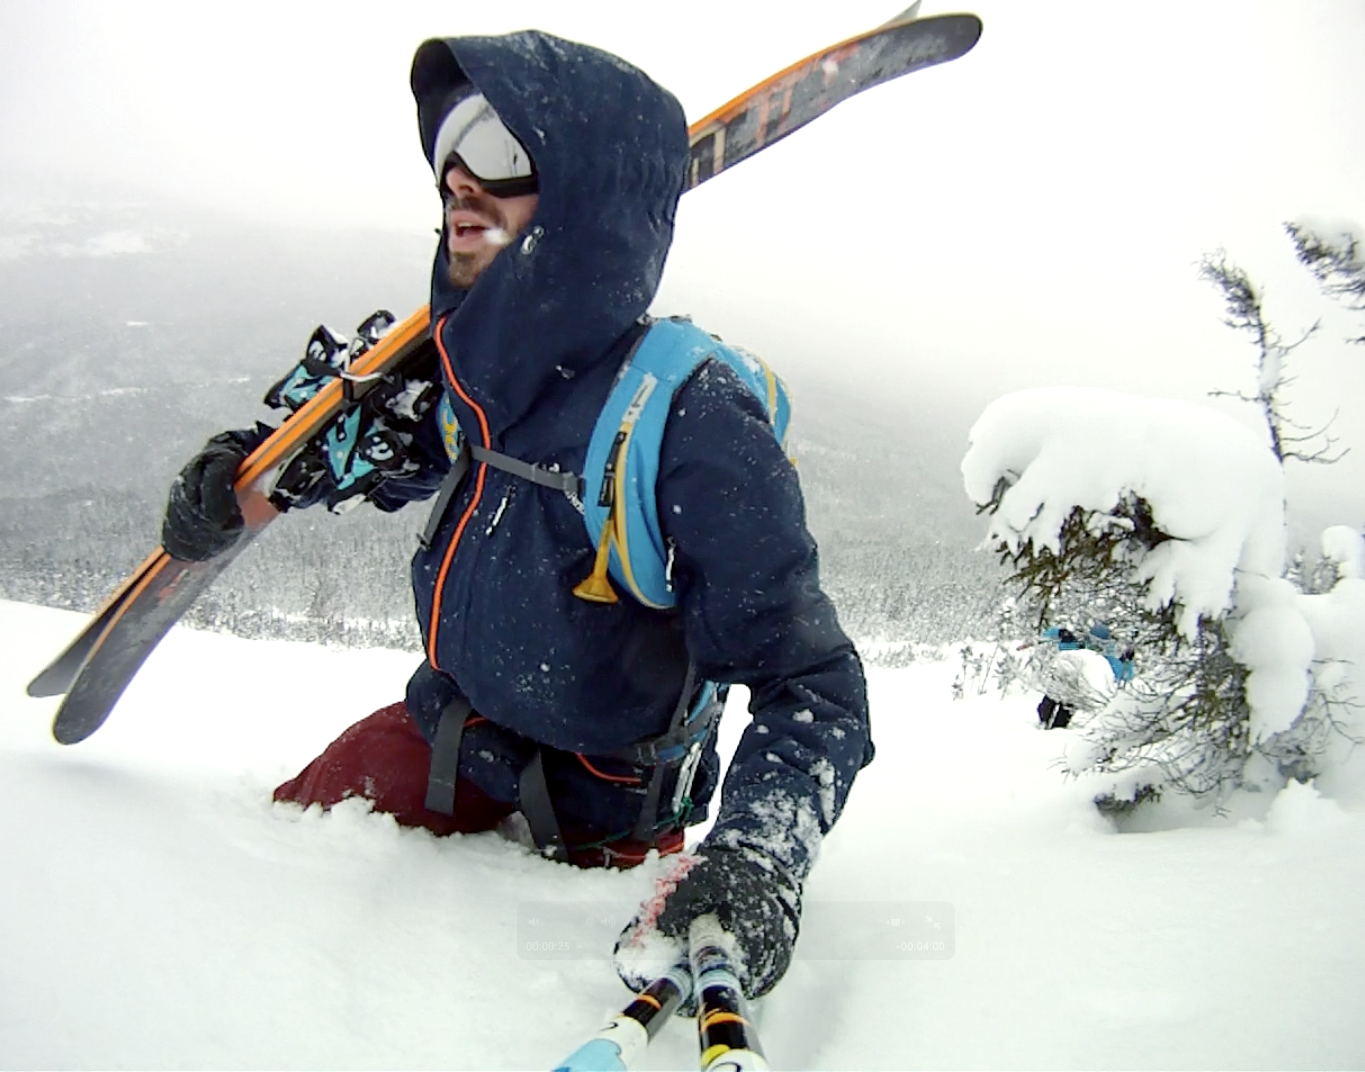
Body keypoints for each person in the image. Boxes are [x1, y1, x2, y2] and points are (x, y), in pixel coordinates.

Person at [161, 30, 872, 1004]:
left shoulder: (692, 418)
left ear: (581, 193)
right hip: (451, 732)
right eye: (451, 143)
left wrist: (756, 856)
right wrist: (247, 480)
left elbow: (816, 688)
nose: (459, 174)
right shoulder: (474, 370)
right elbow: (392, 442)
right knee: (275, 849)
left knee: (476, 1013)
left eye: (500, 146)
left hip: (606, 815)